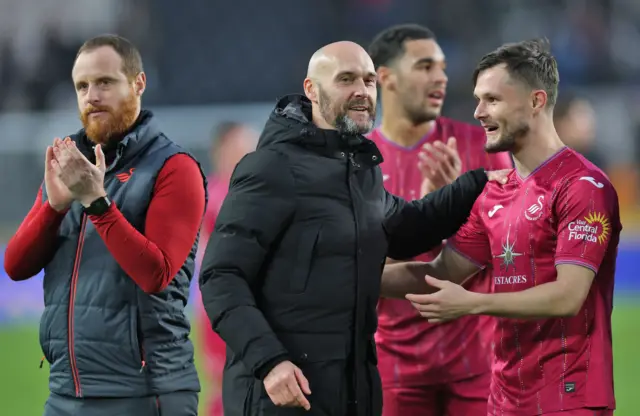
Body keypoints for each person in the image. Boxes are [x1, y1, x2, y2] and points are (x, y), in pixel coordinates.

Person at [198, 41, 508, 416]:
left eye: (369, 80)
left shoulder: (360, 170)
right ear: (311, 90)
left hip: (352, 392)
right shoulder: (271, 167)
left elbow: (408, 228)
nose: (362, 91)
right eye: (346, 79)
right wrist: (269, 361)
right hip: (282, 394)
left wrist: (480, 182)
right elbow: (221, 275)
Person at [382, 39, 620, 416]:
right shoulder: (495, 192)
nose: (478, 112)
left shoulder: (583, 187)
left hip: (569, 398)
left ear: (536, 102)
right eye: (478, 99)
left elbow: (567, 296)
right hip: (505, 400)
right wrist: (349, 273)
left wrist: (473, 304)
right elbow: (439, 272)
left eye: (492, 100)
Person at [3, 34, 206, 416]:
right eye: (82, 86)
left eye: (105, 83)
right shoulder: (70, 166)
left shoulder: (174, 168)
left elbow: (156, 273)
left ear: (138, 84)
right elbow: (15, 265)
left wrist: (97, 204)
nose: (91, 95)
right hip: (66, 392)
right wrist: (54, 207)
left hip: (146, 394)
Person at [367, 24, 513, 416]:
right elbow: (354, 264)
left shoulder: (482, 148)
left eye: (443, 67)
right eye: (425, 65)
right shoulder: (356, 161)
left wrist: (462, 208)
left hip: (477, 362)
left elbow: (511, 250)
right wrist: (435, 208)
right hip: (393, 366)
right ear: (386, 78)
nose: (441, 77)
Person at [195, 121, 257, 416]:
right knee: (228, 384)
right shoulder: (212, 197)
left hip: (250, 307)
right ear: (222, 151)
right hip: (223, 309)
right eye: (241, 146)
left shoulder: (254, 194)